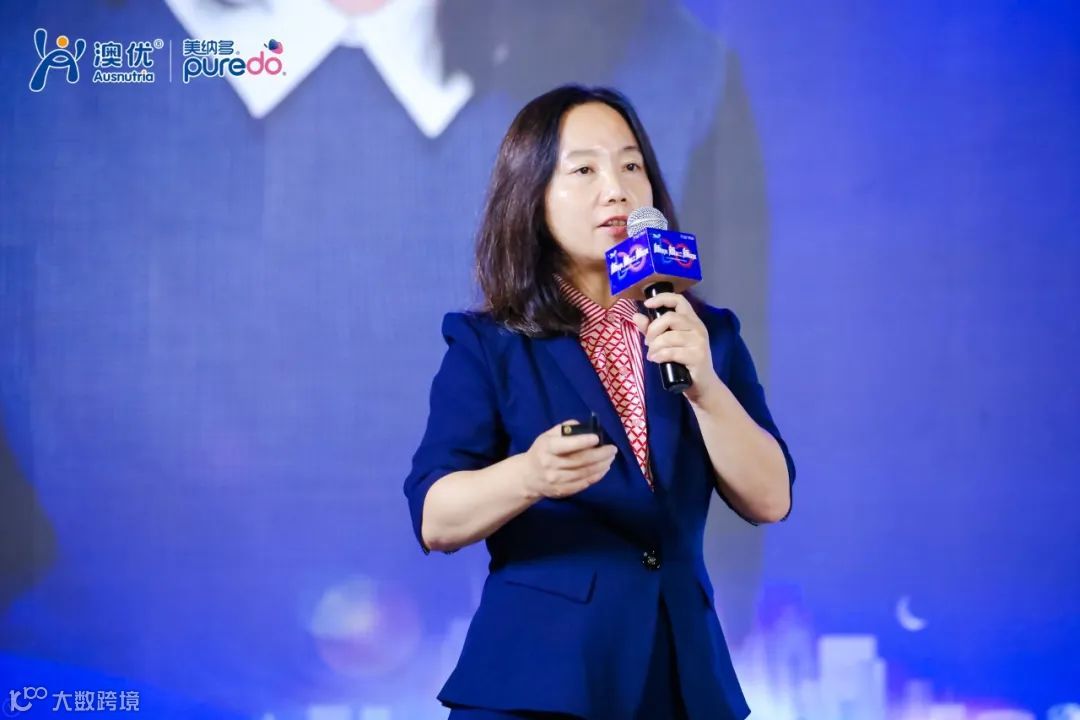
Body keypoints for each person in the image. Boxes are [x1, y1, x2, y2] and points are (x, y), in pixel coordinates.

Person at [404, 85, 796, 720]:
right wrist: (530, 475)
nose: (617, 190)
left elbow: (771, 498)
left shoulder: (705, 334)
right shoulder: (490, 343)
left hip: (681, 679)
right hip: (539, 682)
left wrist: (705, 387)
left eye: (631, 166)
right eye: (584, 170)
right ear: (532, 196)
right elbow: (435, 517)